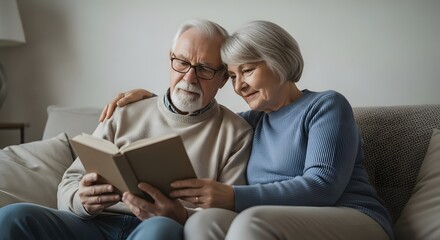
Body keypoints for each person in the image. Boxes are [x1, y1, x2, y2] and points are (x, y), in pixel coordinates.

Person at [101, 20, 394, 240]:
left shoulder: (326, 106)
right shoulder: (252, 122)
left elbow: (323, 186)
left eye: (248, 70)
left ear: (279, 62)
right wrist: (155, 100)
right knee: (202, 222)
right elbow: (202, 116)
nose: (238, 85)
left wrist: (233, 197)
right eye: (231, 75)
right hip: (275, 220)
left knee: (250, 222)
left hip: (352, 217)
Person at [0, 19, 253, 240]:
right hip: (95, 224)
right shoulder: (125, 109)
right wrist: (82, 199)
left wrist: (181, 215)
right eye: (182, 62)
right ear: (170, 59)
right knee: (13, 216)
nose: (189, 78)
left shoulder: (236, 133)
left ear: (223, 78)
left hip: (159, 229)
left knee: (160, 230)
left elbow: (226, 215)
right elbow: (70, 181)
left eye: (204, 69)